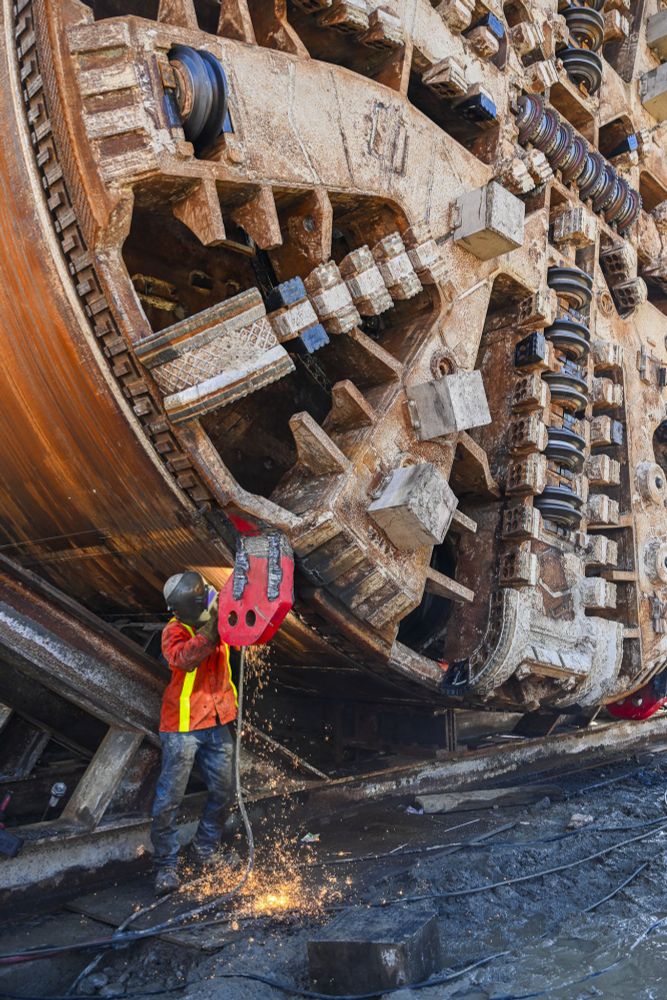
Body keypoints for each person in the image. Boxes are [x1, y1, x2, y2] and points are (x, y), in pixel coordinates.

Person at [150, 570, 237, 895]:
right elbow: (185, 660)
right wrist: (214, 626)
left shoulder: (216, 612)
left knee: (222, 792)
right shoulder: (174, 631)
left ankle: (205, 850)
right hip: (182, 727)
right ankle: (165, 867)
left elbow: (242, 632)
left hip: (217, 721)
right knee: (168, 800)